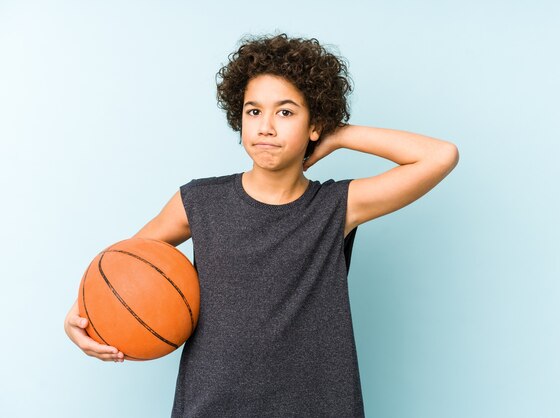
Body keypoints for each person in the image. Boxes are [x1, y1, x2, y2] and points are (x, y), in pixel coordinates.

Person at [64, 32, 459, 417]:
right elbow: (119, 271)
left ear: (314, 124)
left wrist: (340, 135)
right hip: (211, 405)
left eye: (285, 112)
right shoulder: (198, 202)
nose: (265, 126)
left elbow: (440, 155)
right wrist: (80, 314)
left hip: (320, 406)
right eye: (254, 111)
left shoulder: (337, 207)